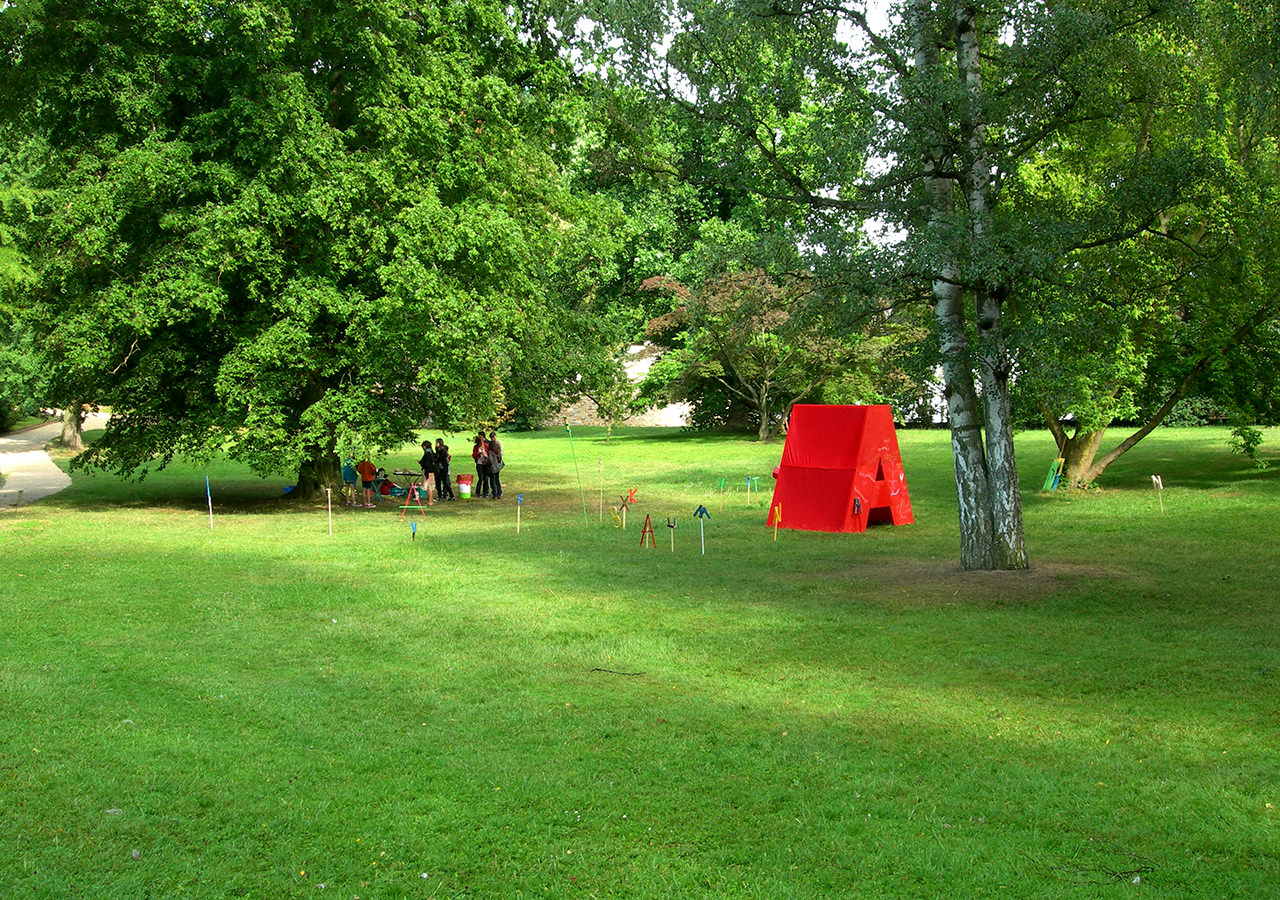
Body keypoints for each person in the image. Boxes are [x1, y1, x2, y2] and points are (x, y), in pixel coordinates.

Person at [418, 440, 437, 504]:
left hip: (428, 472)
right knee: (432, 487)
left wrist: (420, 462)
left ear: (424, 446)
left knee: (429, 487)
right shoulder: (432, 453)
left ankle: (430, 501)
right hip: (433, 471)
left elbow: (426, 464)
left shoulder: (427, 454)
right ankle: (431, 500)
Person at [486, 431, 503, 500]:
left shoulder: (490, 452)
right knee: (497, 481)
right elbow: (499, 459)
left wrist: (486, 463)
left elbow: (490, 461)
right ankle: (499, 493)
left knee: (492, 482)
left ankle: (495, 495)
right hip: (497, 468)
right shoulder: (498, 451)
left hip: (492, 468)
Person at [472, 433, 489, 498]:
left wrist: (486, 455)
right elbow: (474, 455)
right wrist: (478, 454)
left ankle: (485, 492)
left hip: (485, 463)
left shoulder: (486, 446)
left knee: (486, 478)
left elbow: (489, 454)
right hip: (479, 464)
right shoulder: (476, 447)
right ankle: (478, 492)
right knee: (481, 478)